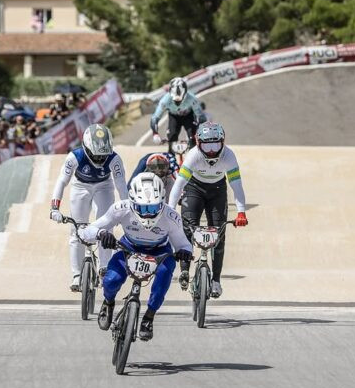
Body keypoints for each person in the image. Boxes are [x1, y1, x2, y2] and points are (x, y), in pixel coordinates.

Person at [82, 172, 192, 341]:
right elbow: (88, 230)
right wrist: (102, 233)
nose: (148, 214)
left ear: (163, 202)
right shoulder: (121, 208)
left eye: (153, 208)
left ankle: (149, 316)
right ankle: (108, 302)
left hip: (160, 251)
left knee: (164, 274)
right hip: (128, 247)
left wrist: (185, 253)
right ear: (132, 202)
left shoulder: (171, 217)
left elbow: (184, 245)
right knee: (111, 280)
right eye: (143, 208)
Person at [167, 121, 248, 298]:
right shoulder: (193, 156)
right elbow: (178, 185)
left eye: (215, 144)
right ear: (198, 143)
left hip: (217, 191)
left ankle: (216, 281)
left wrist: (241, 211)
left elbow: (237, 185)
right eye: (207, 145)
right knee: (187, 227)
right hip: (193, 189)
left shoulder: (229, 156)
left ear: (223, 142)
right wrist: (170, 211)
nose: (211, 150)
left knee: (219, 234)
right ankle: (185, 270)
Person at [50, 123, 127, 291]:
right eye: (96, 155)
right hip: (80, 187)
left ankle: (104, 266)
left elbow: (121, 185)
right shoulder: (74, 157)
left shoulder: (115, 158)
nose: (100, 160)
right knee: (76, 230)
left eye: (103, 156)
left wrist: (126, 210)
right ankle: (76, 275)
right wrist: (54, 207)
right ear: (86, 148)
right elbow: (62, 181)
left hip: (104, 186)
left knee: (106, 226)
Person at [150, 77, 205, 148]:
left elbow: (201, 117)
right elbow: (155, 117)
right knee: (172, 137)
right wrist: (155, 133)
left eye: (180, 100)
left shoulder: (192, 99)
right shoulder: (165, 100)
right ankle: (171, 155)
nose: (178, 102)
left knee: (193, 137)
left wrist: (199, 131)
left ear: (185, 94)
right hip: (174, 117)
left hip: (189, 116)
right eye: (175, 101)